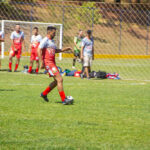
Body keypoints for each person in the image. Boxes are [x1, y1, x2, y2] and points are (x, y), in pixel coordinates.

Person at [38, 26, 74, 105]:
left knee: (56, 81)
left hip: (52, 63)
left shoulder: (52, 41)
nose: (55, 34)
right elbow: (39, 49)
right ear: (49, 32)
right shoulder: (45, 40)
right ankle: (64, 100)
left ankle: (44, 94)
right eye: (54, 33)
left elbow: (55, 50)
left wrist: (65, 49)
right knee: (60, 79)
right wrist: (42, 62)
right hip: (48, 63)